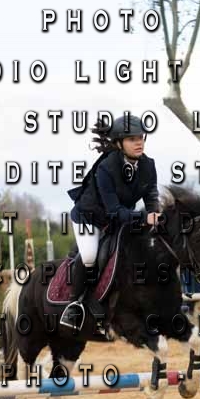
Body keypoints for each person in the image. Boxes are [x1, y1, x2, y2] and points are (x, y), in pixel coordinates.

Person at [60, 114, 161, 330]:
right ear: (119, 143)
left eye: (141, 137)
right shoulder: (106, 168)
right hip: (90, 218)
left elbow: (151, 195)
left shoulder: (148, 165)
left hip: (121, 218)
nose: (139, 142)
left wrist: (155, 214)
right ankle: (75, 304)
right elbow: (114, 211)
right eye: (132, 139)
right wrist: (144, 218)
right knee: (90, 255)